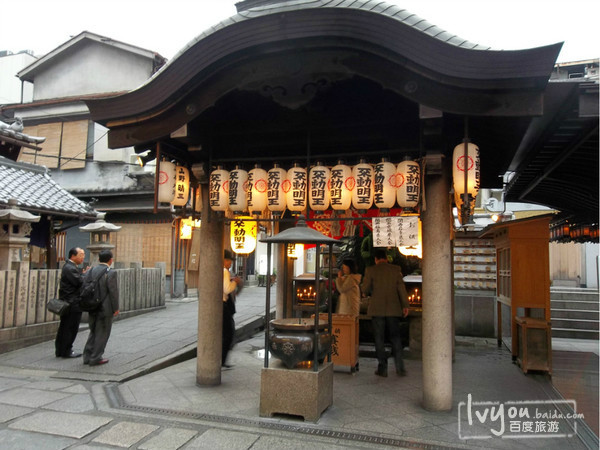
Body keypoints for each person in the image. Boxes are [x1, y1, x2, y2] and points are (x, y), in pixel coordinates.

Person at [360, 248, 409, 377]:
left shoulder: (371, 270)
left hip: (377, 309)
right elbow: (402, 290)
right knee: (395, 338)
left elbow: (365, 289)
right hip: (393, 309)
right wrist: (405, 306)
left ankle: (383, 368)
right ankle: (400, 367)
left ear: (376, 259)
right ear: (386, 258)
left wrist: (366, 291)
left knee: (379, 338)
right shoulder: (396, 270)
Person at [83, 250, 119, 366]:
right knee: (102, 332)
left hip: (92, 305)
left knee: (93, 331)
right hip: (105, 307)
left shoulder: (90, 270)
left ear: (99, 259)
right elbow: (113, 292)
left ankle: (87, 356)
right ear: (110, 260)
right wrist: (115, 308)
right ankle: (96, 357)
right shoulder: (110, 272)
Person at [56, 247, 87, 358]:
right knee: (70, 328)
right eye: (81, 254)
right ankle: (66, 350)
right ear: (73, 256)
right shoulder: (70, 268)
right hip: (72, 303)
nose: (83, 257)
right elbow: (80, 282)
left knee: (64, 327)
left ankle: (61, 350)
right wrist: (84, 275)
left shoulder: (71, 267)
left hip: (68, 302)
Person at [222, 249, 242, 369]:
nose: (230, 263)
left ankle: (221, 359)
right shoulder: (224, 271)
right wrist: (235, 282)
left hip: (220, 305)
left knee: (225, 333)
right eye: (228, 260)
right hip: (223, 305)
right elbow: (227, 289)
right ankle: (222, 360)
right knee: (228, 334)